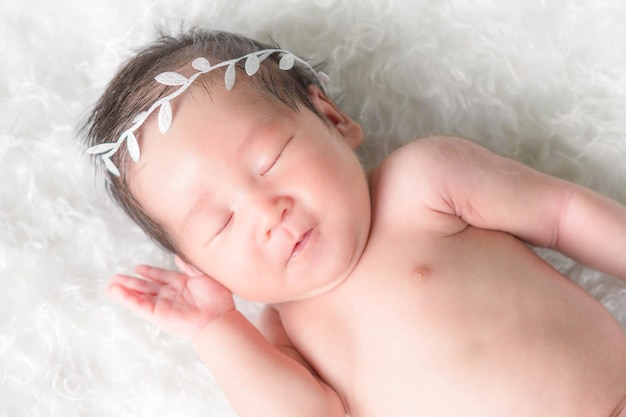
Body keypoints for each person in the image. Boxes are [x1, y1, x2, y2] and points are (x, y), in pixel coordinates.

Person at [82, 28, 626, 417]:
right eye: (221, 222)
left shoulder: (425, 182)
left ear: (334, 119)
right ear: (199, 265)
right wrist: (214, 329)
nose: (269, 212)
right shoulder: (283, 333)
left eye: (270, 162)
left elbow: (562, 214)